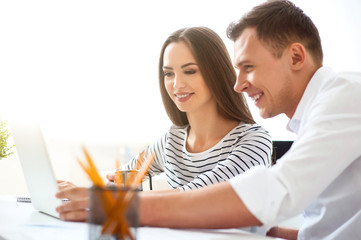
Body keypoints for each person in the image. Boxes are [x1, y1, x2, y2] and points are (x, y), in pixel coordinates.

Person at [135, 1, 361, 240]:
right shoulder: (317, 115)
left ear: (295, 57)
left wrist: (123, 208)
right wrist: (299, 235)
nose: (238, 85)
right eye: (168, 73)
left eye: (249, 67)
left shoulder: (346, 95)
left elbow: (278, 190)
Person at [56, 27, 272, 221]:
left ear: (216, 72)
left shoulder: (254, 141)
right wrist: (88, 193)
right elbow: (121, 177)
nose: (177, 84)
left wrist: (97, 198)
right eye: (169, 73)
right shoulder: (172, 141)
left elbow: (197, 194)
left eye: (189, 71)